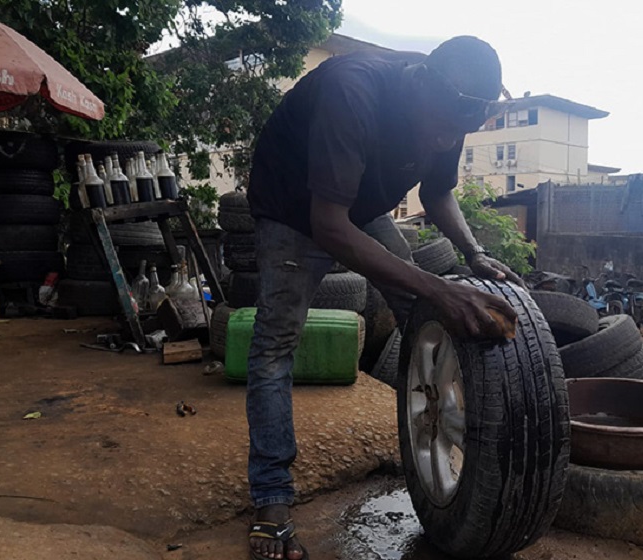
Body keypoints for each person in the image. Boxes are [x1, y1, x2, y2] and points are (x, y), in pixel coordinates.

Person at [245, 35, 522, 560]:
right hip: (292, 209)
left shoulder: (455, 107)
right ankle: (271, 496)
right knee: (275, 348)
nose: (445, 140)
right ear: (420, 86)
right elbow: (328, 226)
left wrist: (474, 253)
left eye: (456, 133)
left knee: (424, 314)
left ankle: (430, 426)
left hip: (358, 205)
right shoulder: (352, 92)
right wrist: (437, 285)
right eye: (439, 129)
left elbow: (436, 191)